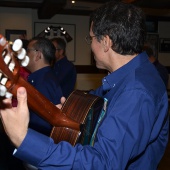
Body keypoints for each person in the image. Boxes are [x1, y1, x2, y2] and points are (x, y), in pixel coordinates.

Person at [0, 1, 169, 169]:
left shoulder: (136, 91)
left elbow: (103, 163)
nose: (91, 45)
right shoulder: (127, 77)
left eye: (91, 38)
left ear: (106, 42)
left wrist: (24, 139)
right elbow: (99, 108)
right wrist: (71, 111)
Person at [25, 37, 63, 136]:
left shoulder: (43, 82)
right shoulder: (44, 77)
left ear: (38, 55)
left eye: (28, 51)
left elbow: (39, 126)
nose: (25, 54)